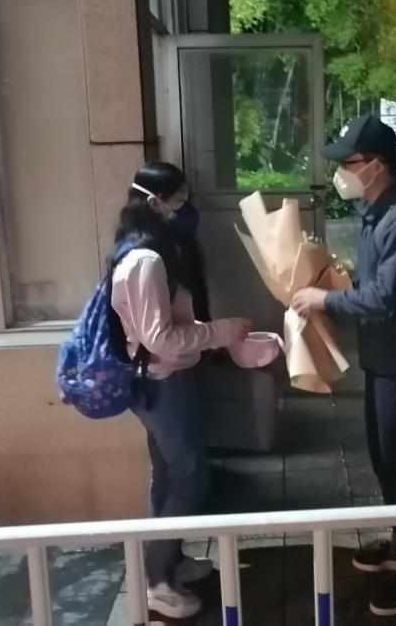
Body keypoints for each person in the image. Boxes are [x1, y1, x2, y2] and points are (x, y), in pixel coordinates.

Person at [291, 115, 396, 618]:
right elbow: (373, 283)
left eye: (348, 162)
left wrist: (324, 300)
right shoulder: (376, 211)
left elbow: (385, 297)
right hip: (383, 359)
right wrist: (337, 281)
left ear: (376, 165)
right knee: (384, 461)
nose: (342, 172)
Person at [109, 161, 251, 619]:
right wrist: (221, 332)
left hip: (162, 379)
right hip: (161, 383)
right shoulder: (146, 261)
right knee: (190, 477)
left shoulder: (152, 249)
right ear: (154, 203)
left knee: (169, 474)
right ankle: (157, 582)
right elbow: (160, 339)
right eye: (179, 200)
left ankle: (166, 561)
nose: (185, 209)